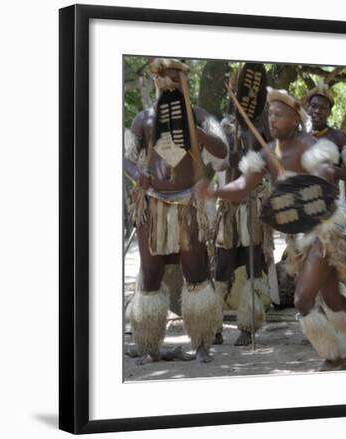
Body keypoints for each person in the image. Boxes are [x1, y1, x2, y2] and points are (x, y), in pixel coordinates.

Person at [198, 87, 346, 370]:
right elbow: (243, 185)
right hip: (301, 238)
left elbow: (325, 183)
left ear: (295, 120)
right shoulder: (268, 153)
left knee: (303, 299)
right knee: (331, 296)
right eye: (270, 114)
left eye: (279, 115)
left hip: (324, 231)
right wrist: (216, 193)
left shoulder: (311, 147)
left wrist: (301, 181)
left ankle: (337, 355)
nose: (272, 120)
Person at [123, 58, 228, 364]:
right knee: (151, 275)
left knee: (196, 272)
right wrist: (135, 173)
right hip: (153, 203)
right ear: (158, 81)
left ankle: (202, 344)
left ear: (186, 82)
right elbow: (125, 157)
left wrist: (199, 133)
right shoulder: (144, 119)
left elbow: (223, 151)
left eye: (178, 79)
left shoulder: (199, 115)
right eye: (168, 79)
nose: (172, 85)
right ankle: (149, 346)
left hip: (188, 204)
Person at [213, 115, 274, 346]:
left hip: (251, 207)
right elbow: (217, 164)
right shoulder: (225, 128)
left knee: (253, 268)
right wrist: (231, 157)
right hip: (229, 210)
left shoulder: (260, 131)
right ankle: (214, 327)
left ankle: (248, 327)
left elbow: (270, 162)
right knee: (222, 268)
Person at [304, 83, 346, 183]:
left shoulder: (339, 138)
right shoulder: (300, 137)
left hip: (328, 196)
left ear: (329, 113)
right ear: (307, 108)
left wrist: (332, 170)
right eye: (313, 106)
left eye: (323, 108)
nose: (317, 111)